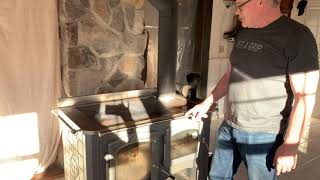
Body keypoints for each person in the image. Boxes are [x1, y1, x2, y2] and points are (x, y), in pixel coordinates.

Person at [185, 0, 319, 179]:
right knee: (216, 176)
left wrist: (291, 144)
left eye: (240, 6)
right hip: (229, 125)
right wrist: (206, 103)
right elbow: (230, 75)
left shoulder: (297, 36)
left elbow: (304, 96)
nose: (236, 12)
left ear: (260, 2)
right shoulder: (245, 31)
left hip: (264, 134)